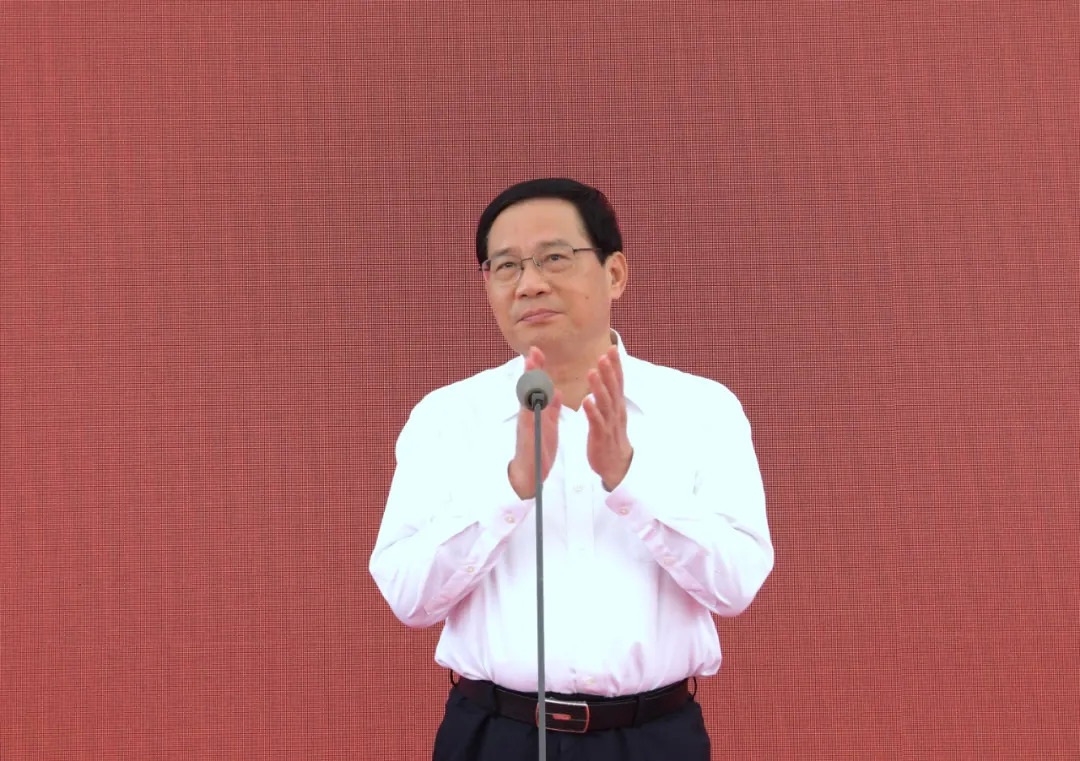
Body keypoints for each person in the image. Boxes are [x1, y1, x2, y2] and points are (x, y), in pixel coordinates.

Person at [369, 178, 773, 761]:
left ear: (615, 273)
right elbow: (409, 599)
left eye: (554, 257)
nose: (530, 283)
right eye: (506, 266)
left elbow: (735, 587)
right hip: (494, 735)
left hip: (652, 739)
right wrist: (510, 490)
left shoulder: (701, 410)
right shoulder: (447, 417)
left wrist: (629, 480)